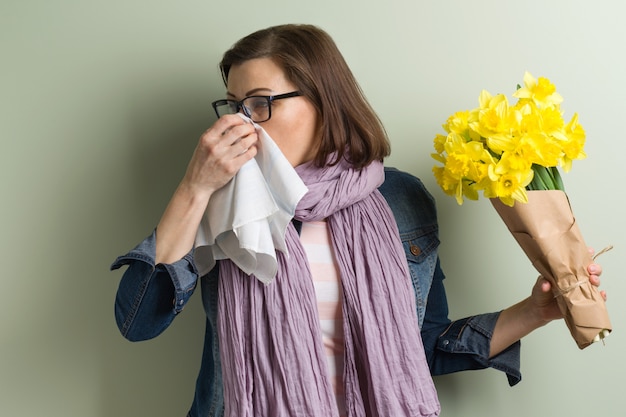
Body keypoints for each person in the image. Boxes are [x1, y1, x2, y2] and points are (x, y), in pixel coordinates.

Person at [111, 24, 605, 417]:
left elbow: (425, 345)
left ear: (324, 101)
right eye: (234, 106)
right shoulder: (226, 202)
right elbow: (138, 322)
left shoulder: (400, 198)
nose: (241, 123)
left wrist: (536, 311)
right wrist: (194, 187)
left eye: (260, 104)